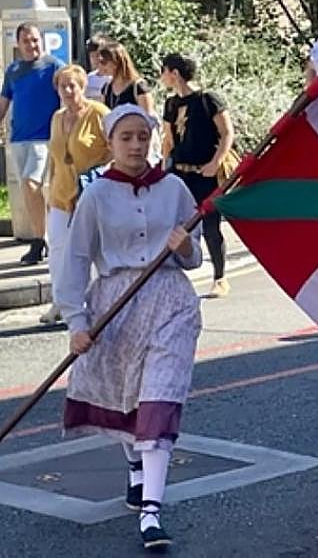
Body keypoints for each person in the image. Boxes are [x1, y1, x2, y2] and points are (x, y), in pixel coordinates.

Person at [54, 104, 203, 552]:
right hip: (116, 304)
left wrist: (184, 247)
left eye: (143, 136)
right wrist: (76, 321)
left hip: (171, 302)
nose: (136, 145)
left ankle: (151, 512)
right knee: (126, 395)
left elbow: (193, 257)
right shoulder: (96, 196)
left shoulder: (174, 188)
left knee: (159, 399)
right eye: (126, 137)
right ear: (110, 143)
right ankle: (136, 469)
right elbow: (75, 259)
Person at [160, 54, 235, 298]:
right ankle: (170, 277)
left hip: (205, 173)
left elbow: (227, 133)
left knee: (211, 226)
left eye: (164, 71)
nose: (162, 77)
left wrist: (216, 162)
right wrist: (164, 169)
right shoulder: (171, 104)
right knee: (175, 225)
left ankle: (220, 278)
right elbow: (169, 140)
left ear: (175, 73)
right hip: (180, 173)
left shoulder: (208, 100)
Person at [41, 65, 110, 326]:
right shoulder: (57, 117)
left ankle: (97, 303)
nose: (68, 91)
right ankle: (60, 302)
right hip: (61, 195)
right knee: (58, 250)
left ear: (82, 87)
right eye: (63, 86)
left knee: (92, 250)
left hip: (91, 195)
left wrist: (105, 175)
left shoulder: (99, 113)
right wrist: (49, 189)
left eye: (73, 85)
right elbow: (54, 157)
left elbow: (117, 149)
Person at [0, 23, 64, 264]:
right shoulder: (13, 70)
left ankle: (39, 241)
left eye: (35, 40)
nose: (31, 45)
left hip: (44, 138)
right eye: (26, 41)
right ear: (18, 43)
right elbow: (4, 102)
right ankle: (43, 237)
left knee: (31, 182)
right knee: (30, 191)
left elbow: (69, 97)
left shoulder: (54, 66)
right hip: (19, 139)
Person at [98, 42, 154, 113]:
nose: (99, 66)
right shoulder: (106, 89)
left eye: (103, 62)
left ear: (116, 62)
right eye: (99, 62)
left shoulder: (139, 87)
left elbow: (147, 116)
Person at [84, 34, 113, 102]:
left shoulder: (112, 78)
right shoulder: (88, 78)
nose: (95, 59)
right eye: (92, 56)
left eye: (97, 55)